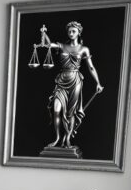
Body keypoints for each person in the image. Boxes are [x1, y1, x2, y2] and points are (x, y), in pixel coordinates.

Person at [42, 21, 103, 149]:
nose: (71, 33)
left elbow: (91, 67)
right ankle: (58, 138)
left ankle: (67, 139)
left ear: (79, 33)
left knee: (71, 113)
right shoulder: (62, 46)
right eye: (69, 31)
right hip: (62, 80)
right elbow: (48, 45)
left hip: (75, 81)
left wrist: (98, 83)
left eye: (73, 31)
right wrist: (44, 33)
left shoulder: (83, 49)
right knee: (56, 110)